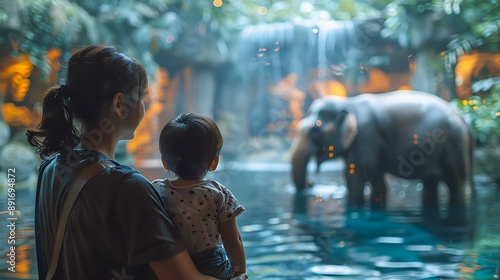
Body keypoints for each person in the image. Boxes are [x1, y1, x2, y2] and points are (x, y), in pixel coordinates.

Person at [26, 44, 218, 280]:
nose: (144, 106)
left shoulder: (50, 166)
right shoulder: (126, 186)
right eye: (142, 97)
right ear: (119, 104)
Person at [152, 112, 247, 280]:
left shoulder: (156, 191)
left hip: (172, 264)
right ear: (214, 162)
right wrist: (240, 273)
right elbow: (233, 241)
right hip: (213, 267)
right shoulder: (219, 193)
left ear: (164, 161)